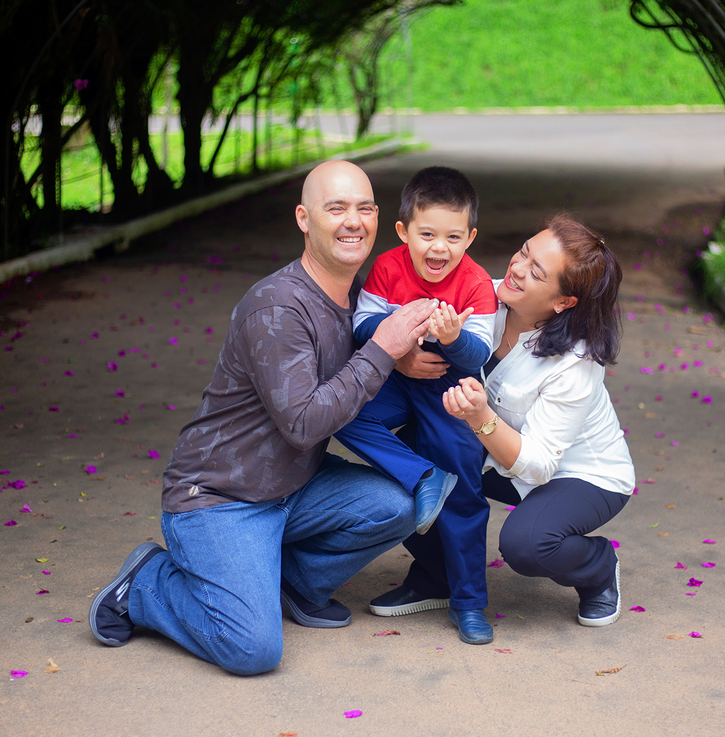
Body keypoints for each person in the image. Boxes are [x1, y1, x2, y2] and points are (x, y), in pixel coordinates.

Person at [88, 160, 436, 675]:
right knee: (252, 649)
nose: (353, 221)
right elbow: (303, 422)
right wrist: (384, 349)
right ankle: (145, 583)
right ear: (303, 218)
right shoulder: (278, 307)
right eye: (335, 207)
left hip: (293, 488)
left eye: (364, 208)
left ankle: (293, 584)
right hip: (220, 498)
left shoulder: (361, 301)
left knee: (397, 504)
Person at [383, 214, 636, 627]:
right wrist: (407, 355)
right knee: (408, 457)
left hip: (582, 475)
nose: (516, 269)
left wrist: (480, 417)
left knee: (527, 544)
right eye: (523, 252)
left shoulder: (576, 363)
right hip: (497, 453)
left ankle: (598, 567)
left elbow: (538, 465)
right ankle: (436, 577)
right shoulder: (484, 294)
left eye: (536, 272)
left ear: (563, 302)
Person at [335, 166, 499, 645]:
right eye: (426, 234)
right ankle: (423, 476)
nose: (438, 248)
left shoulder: (475, 286)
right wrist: (400, 349)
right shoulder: (388, 267)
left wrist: (452, 338)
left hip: (450, 393)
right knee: (341, 409)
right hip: (395, 380)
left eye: (452, 236)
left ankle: (469, 603)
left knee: (465, 497)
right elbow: (362, 325)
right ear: (404, 231)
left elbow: (478, 354)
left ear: (469, 238)